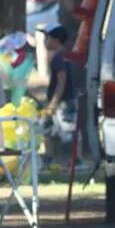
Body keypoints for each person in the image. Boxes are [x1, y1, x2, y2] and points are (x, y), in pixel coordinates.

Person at [43, 24, 78, 161]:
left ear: (56, 40)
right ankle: (49, 158)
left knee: (69, 131)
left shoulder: (59, 58)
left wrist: (54, 102)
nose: (45, 41)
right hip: (61, 100)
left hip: (63, 101)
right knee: (49, 129)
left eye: (47, 37)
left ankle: (75, 160)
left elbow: (61, 80)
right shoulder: (64, 56)